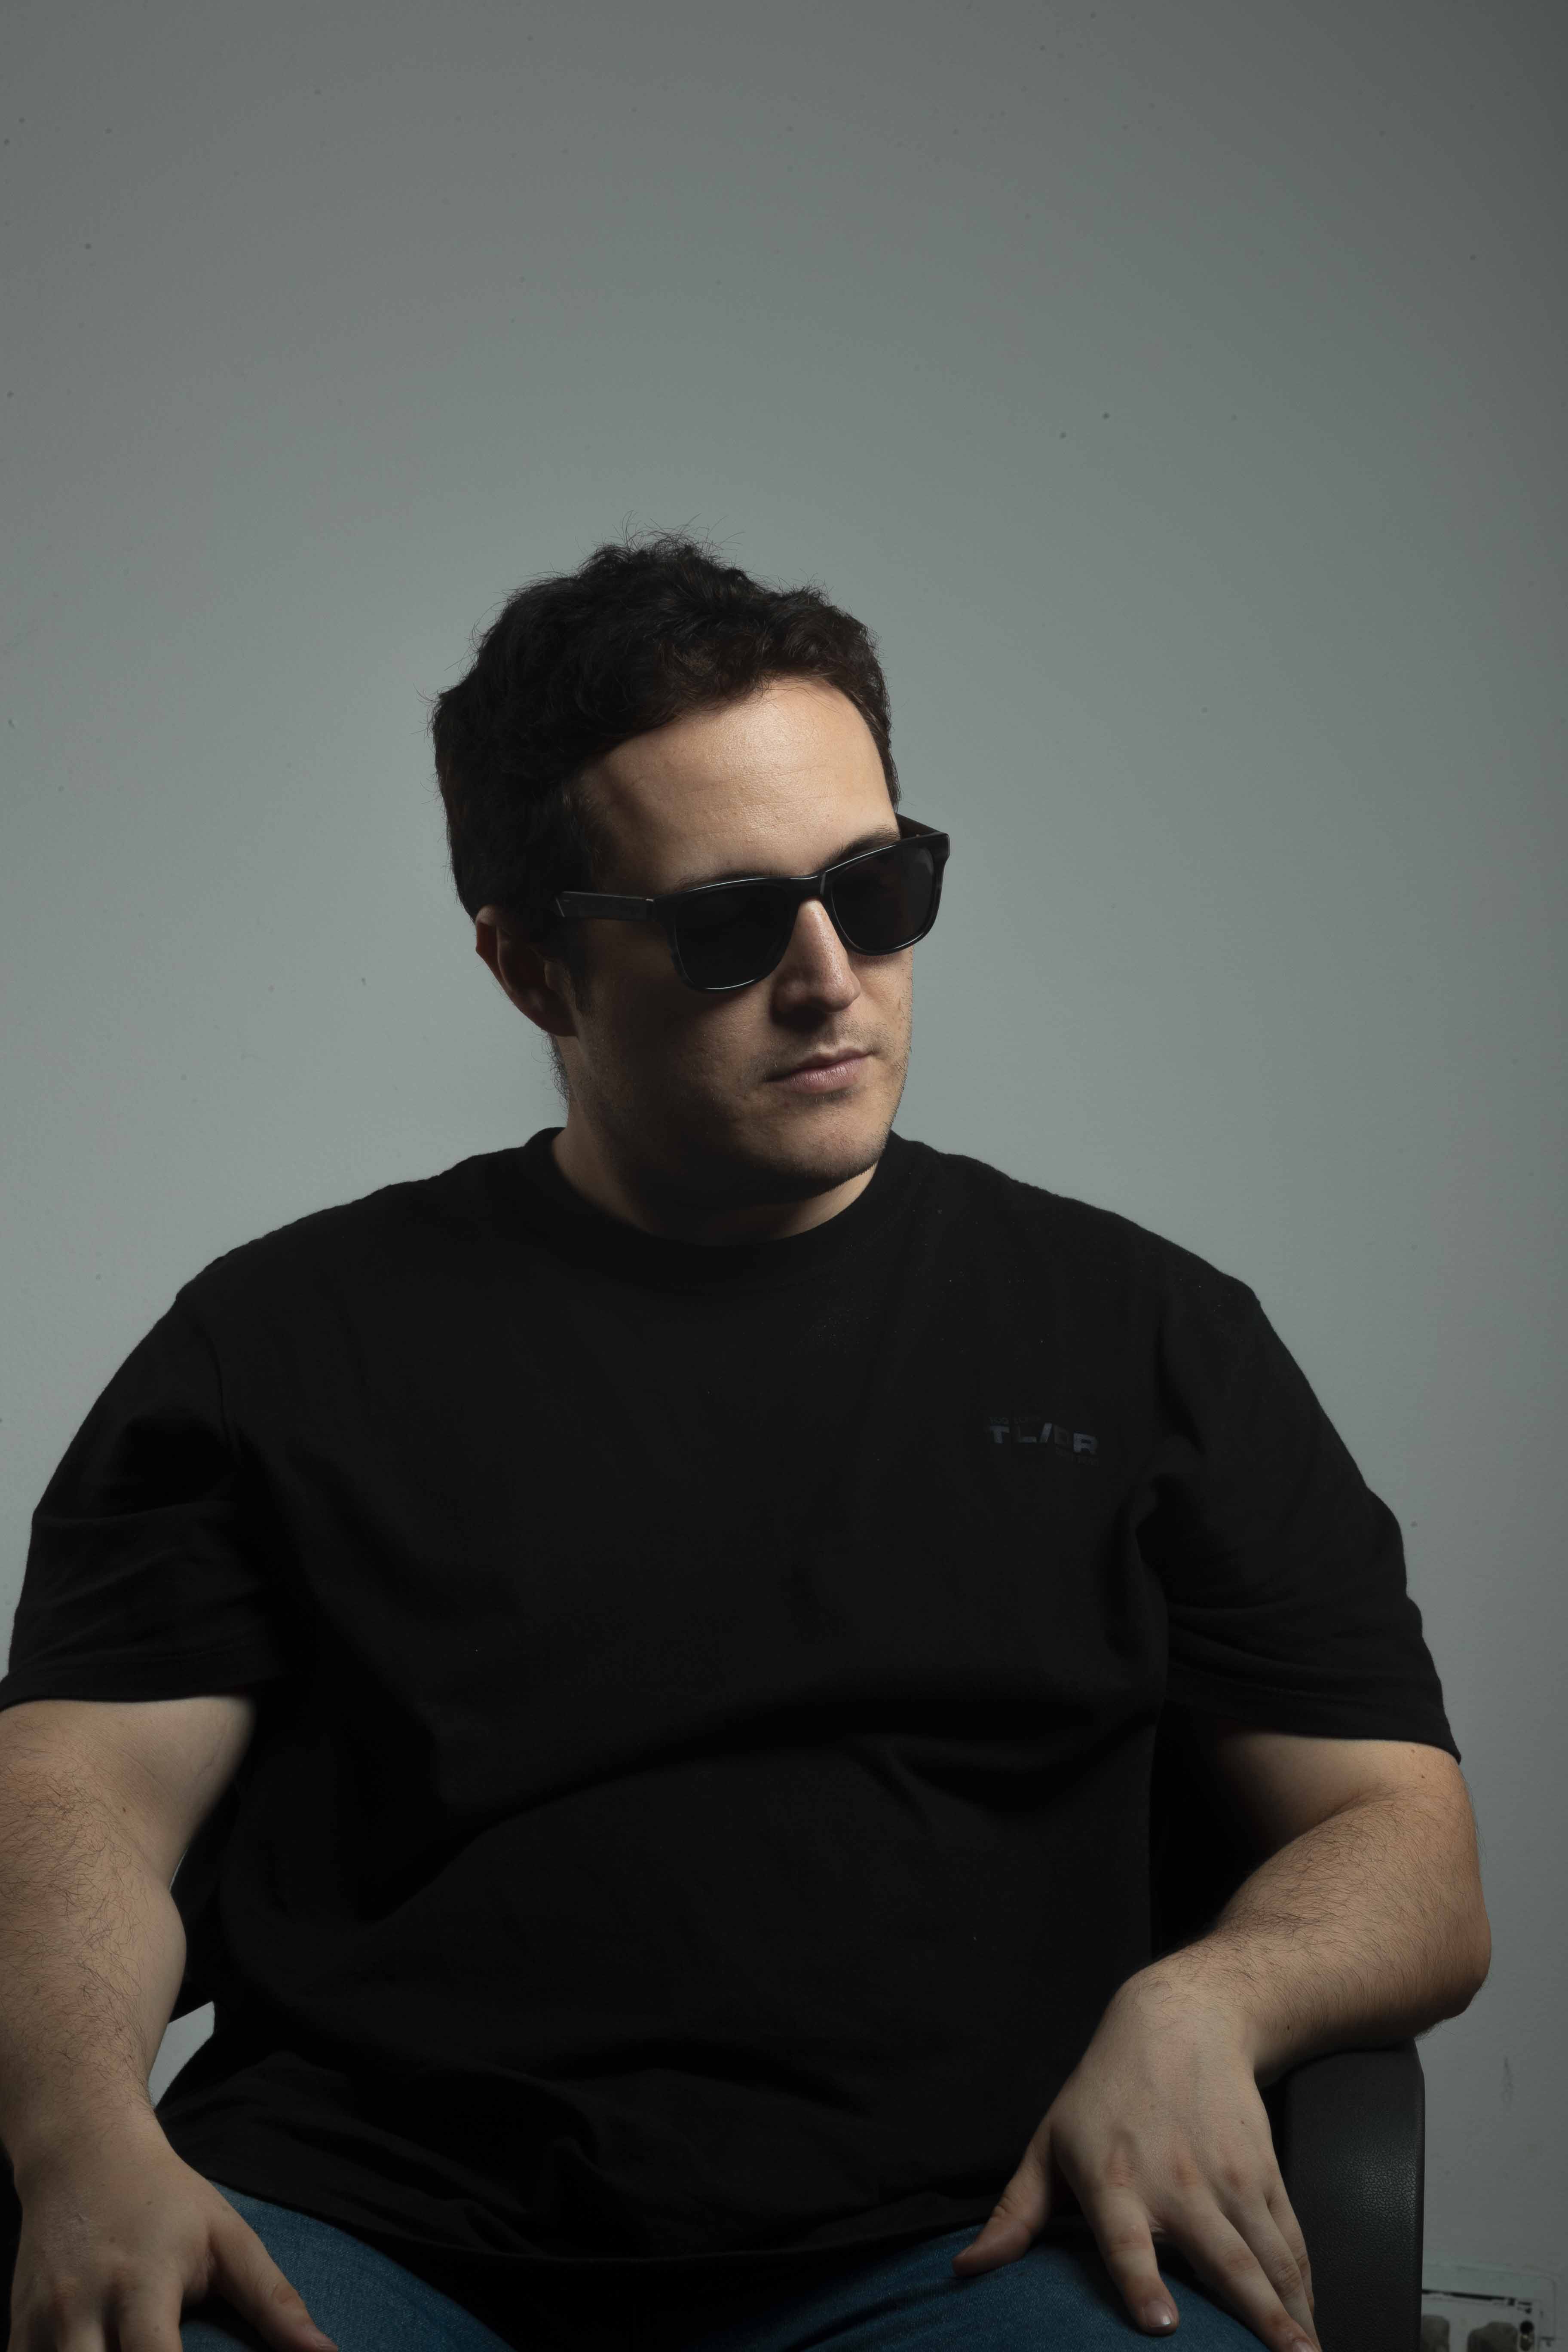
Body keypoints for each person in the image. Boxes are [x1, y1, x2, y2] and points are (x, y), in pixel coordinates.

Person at [0, 529, 1470, 2352]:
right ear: (533, 970)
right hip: (367, 2245)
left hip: (978, 2242)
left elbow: (1401, 1836)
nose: (831, 976)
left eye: (877, 886)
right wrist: (78, 2137)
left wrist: (1211, 2002)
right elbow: (73, 1802)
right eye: (726, 923)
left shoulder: (1154, 1338)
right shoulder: (273, 1348)